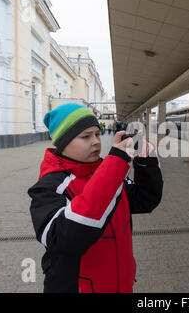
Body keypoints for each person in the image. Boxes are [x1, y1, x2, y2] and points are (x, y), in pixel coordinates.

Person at [27, 103, 163, 293]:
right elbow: (63, 239)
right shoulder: (48, 187)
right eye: (86, 136)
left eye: (97, 134)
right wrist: (115, 164)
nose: (96, 142)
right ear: (62, 143)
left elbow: (145, 200)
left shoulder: (109, 171)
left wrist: (145, 161)